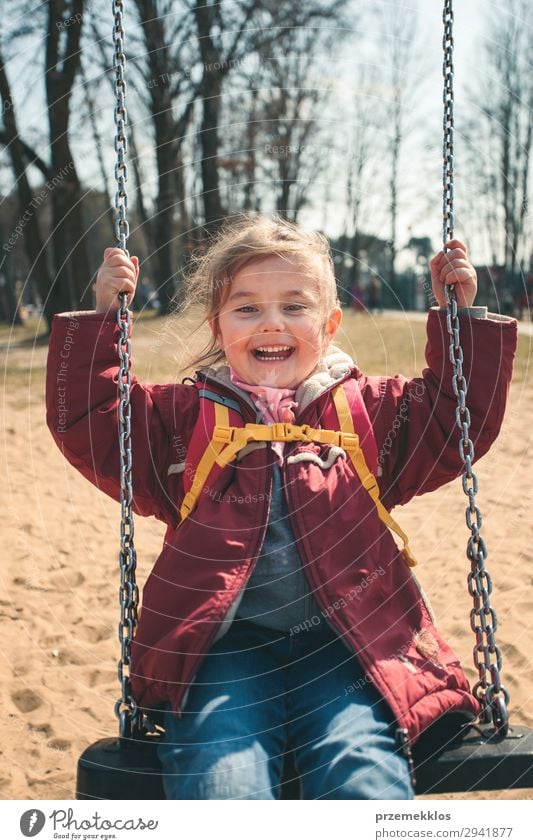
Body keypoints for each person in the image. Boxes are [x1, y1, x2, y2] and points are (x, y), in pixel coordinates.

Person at [46, 216, 517, 800]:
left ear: (329, 323)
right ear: (217, 326)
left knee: (361, 771)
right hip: (223, 655)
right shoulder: (184, 422)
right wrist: (104, 319)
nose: (272, 322)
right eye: (247, 309)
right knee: (223, 773)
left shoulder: (367, 414)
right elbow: (95, 426)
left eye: (295, 306)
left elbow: (456, 418)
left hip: (347, 650)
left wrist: (460, 321)